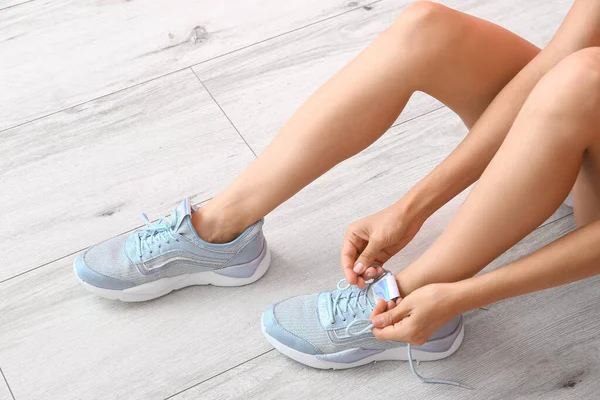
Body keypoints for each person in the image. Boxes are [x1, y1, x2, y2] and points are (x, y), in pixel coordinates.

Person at [74, 0, 600, 386]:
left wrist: (468, 293)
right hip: (581, 123)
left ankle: (412, 306)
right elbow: (552, 68)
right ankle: (220, 230)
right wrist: (411, 206)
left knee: (583, 79)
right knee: (427, 29)